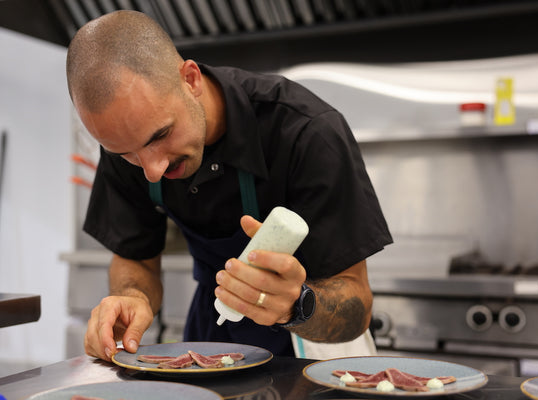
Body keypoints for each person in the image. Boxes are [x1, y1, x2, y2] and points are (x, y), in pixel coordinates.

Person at [66, 10, 392, 362]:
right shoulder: (128, 139)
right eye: (126, 154)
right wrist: (133, 296)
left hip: (312, 353)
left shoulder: (306, 133)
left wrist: (297, 305)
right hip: (210, 337)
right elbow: (137, 260)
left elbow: (357, 305)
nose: (152, 170)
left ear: (191, 80)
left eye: (161, 136)